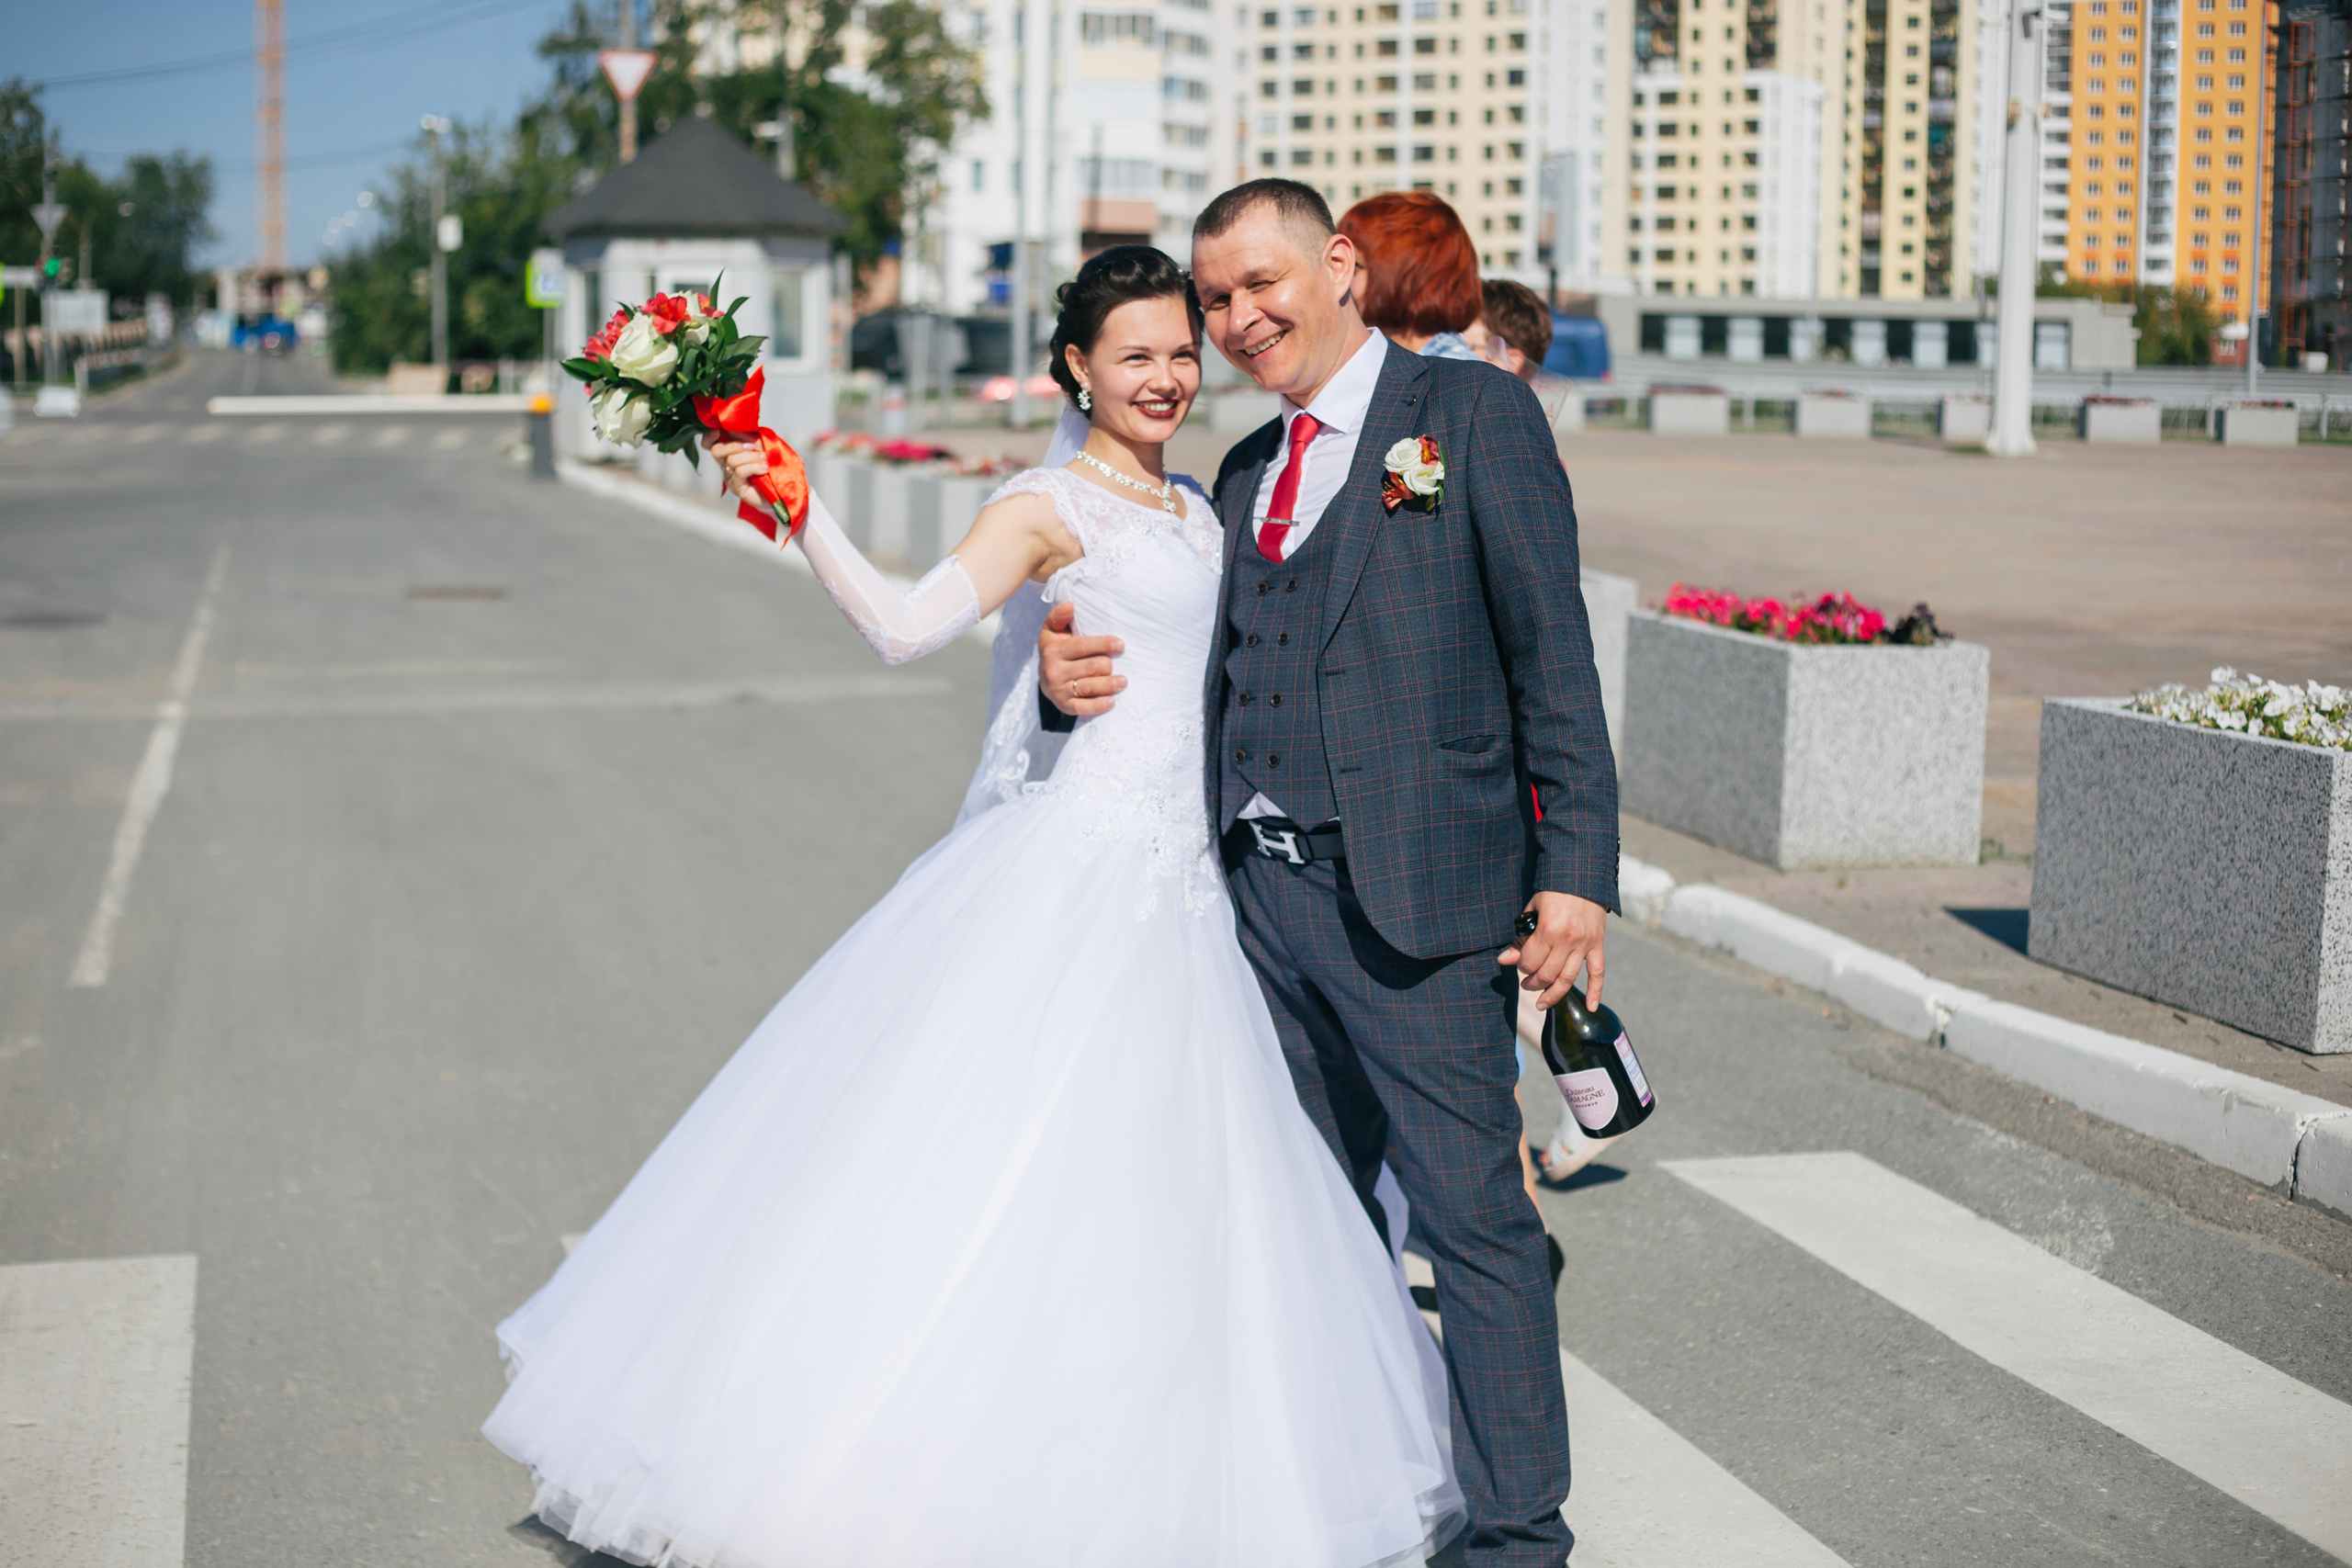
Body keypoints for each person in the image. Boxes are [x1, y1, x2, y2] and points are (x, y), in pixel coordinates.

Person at [481, 245, 1464, 1567]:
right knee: (1016, 1192)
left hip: (1200, 893)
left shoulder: (1203, 505)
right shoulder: (1045, 502)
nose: (1169, 374)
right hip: (1087, 881)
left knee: (1177, 1211)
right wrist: (797, 500)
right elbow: (903, 624)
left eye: (1182, 350)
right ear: (1076, 368)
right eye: (1137, 355)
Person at [1040, 179, 1619, 1566]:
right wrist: (1066, 695)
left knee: (1474, 1223)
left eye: (1259, 287)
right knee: (1300, 1221)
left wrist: (1577, 873)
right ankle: (1341, 1495)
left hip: (1424, 909)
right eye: (1215, 299)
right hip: (1263, 908)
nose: (1237, 321)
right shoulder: (1241, 474)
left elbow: (1555, 657)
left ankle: (1517, 1533)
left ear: (1342, 266)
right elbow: (1203, 674)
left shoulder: (1471, 419)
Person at [1337, 191, 1487, 363]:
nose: (1341, 280)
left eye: (1354, 267)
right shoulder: (1394, 366)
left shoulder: (1459, 380)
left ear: (1397, 274)